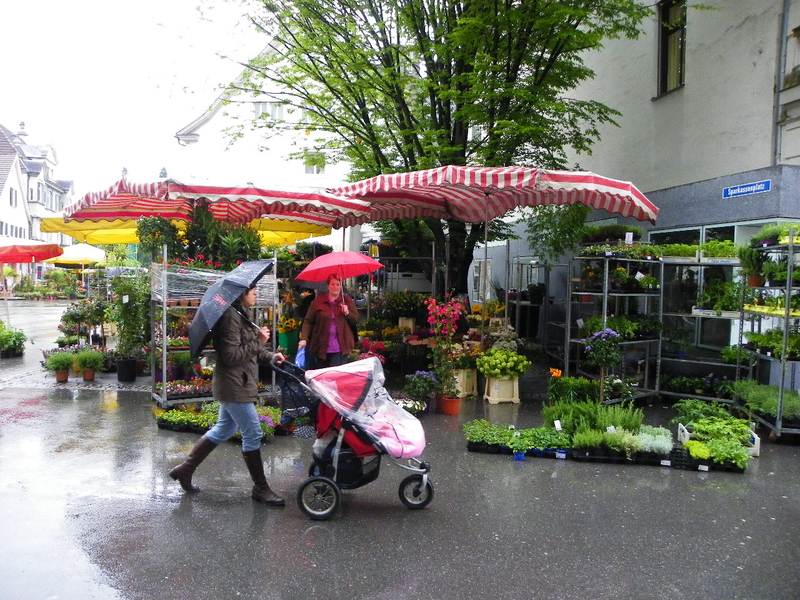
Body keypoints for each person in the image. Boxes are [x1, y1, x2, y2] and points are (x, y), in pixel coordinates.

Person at [168, 285, 286, 506]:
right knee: (253, 433)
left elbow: (252, 350)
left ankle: (185, 469)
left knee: (224, 428)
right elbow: (231, 356)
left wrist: (270, 355)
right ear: (242, 293)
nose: (256, 293)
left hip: (240, 382)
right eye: (252, 290)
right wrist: (258, 341)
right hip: (233, 385)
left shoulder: (242, 313)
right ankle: (261, 488)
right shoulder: (230, 317)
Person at [298, 273, 359, 370]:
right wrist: (304, 338)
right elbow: (308, 321)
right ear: (327, 286)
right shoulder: (317, 302)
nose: (335, 287)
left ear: (341, 286)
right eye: (332, 284)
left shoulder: (347, 301)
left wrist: (347, 313)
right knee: (322, 375)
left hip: (341, 347)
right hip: (321, 346)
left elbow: (355, 320)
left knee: (334, 374)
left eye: (338, 284)